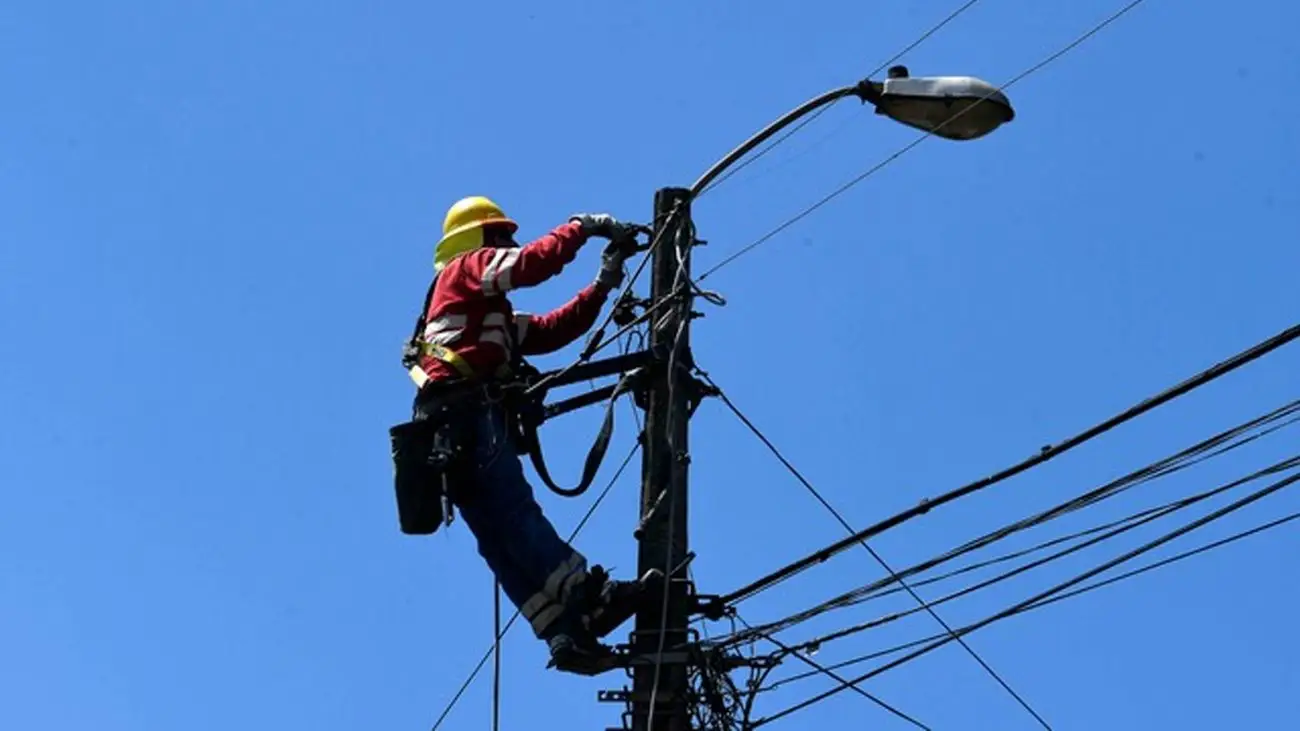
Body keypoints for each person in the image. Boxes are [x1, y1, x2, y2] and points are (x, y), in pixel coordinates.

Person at [403, 195, 662, 674]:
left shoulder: (476, 310)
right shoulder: (467, 268)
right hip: (466, 414)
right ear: (480, 239)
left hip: (443, 430)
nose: (510, 244)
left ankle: (563, 632)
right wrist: (584, 226)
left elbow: (549, 330)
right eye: (501, 236)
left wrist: (604, 282)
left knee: (498, 537)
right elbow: (531, 264)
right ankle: (589, 594)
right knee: (514, 511)